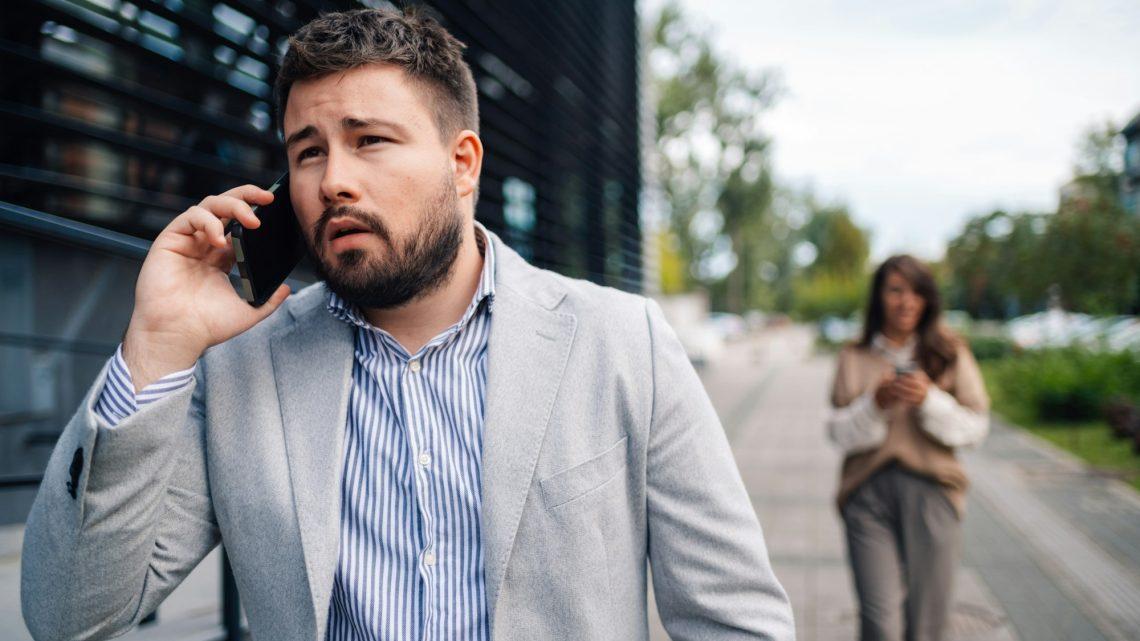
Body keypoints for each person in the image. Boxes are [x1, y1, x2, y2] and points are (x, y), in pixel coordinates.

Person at [21, 8, 793, 641]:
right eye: (308, 151)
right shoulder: (240, 369)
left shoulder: (623, 343)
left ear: (463, 164)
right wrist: (155, 346)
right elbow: (69, 614)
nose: (334, 181)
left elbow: (737, 621)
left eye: (370, 140)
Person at [826, 255, 989, 641]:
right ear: (879, 297)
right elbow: (836, 433)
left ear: (928, 299)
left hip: (933, 493)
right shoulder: (854, 355)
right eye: (895, 290)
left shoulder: (950, 352)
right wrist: (876, 404)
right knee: (879, 624)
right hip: (867, 496)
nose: (906, 301)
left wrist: (928, 400)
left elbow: (976, 428)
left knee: (927, 626)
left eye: (916, 291)